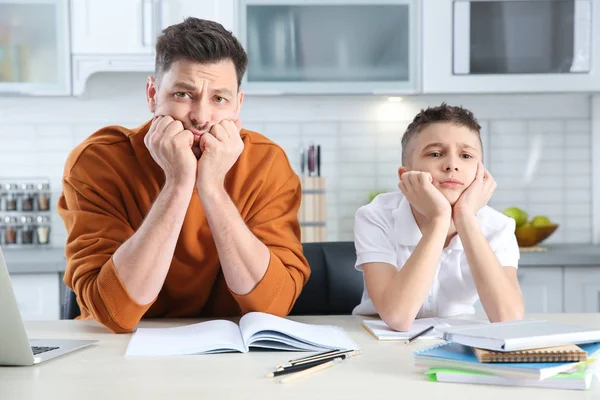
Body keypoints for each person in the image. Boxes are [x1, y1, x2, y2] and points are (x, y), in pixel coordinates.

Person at [58, 18, 310, 333]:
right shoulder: (97, 162)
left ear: (237, 106)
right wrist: (178, 185)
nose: (201, 117)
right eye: (183, 94)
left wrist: (212, 188)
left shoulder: (266, 163)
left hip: (229, 355)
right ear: (152, 94)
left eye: (219, 99)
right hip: (116, 353)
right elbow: (116, 313)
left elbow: (272, 307)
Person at [352, 103, 524, 331]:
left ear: (481, 173)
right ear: (406, 176)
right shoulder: (375, 217)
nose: (452, 165)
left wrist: (465, 218)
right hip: (377, 335)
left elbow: (509, 319)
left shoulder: (498, 227)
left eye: (465, 155)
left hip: (456, 334)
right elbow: (398, 317)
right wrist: (439, 220)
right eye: (435, 153)